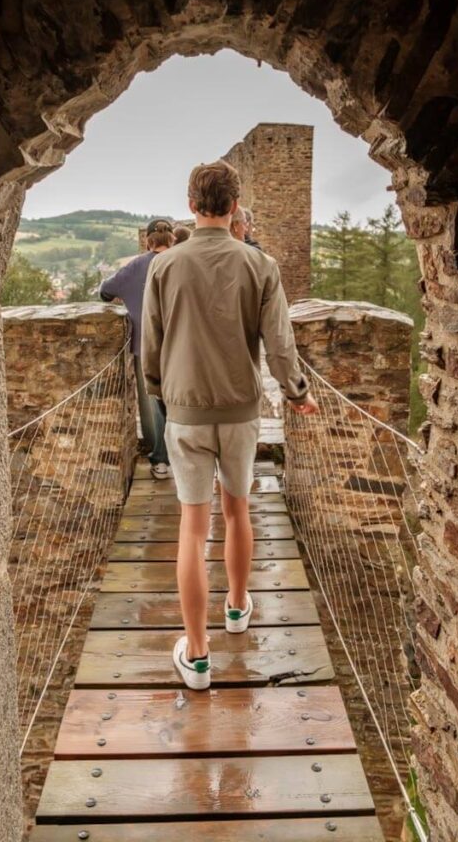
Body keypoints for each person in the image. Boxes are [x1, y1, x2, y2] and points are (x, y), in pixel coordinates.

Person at [142, 161, 318, 690]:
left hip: (185, 411)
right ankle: (238, 608)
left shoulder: (164, 265)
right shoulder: (259, 266)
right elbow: (280, 345)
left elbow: (150, 345)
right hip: (241, 412)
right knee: (238, 511)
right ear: (235, 205)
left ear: (192, 204)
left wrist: (159, 392)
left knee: (193, 531)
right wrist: (298, 395)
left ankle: (197, 656)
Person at [100, 219, 174, 480]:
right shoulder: (183, 263)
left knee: (153, 408)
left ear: (147, 241)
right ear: (172, 239)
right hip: (181, 347)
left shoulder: (135, 267)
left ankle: (161, 461)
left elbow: (105, 291)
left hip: (146, 348)